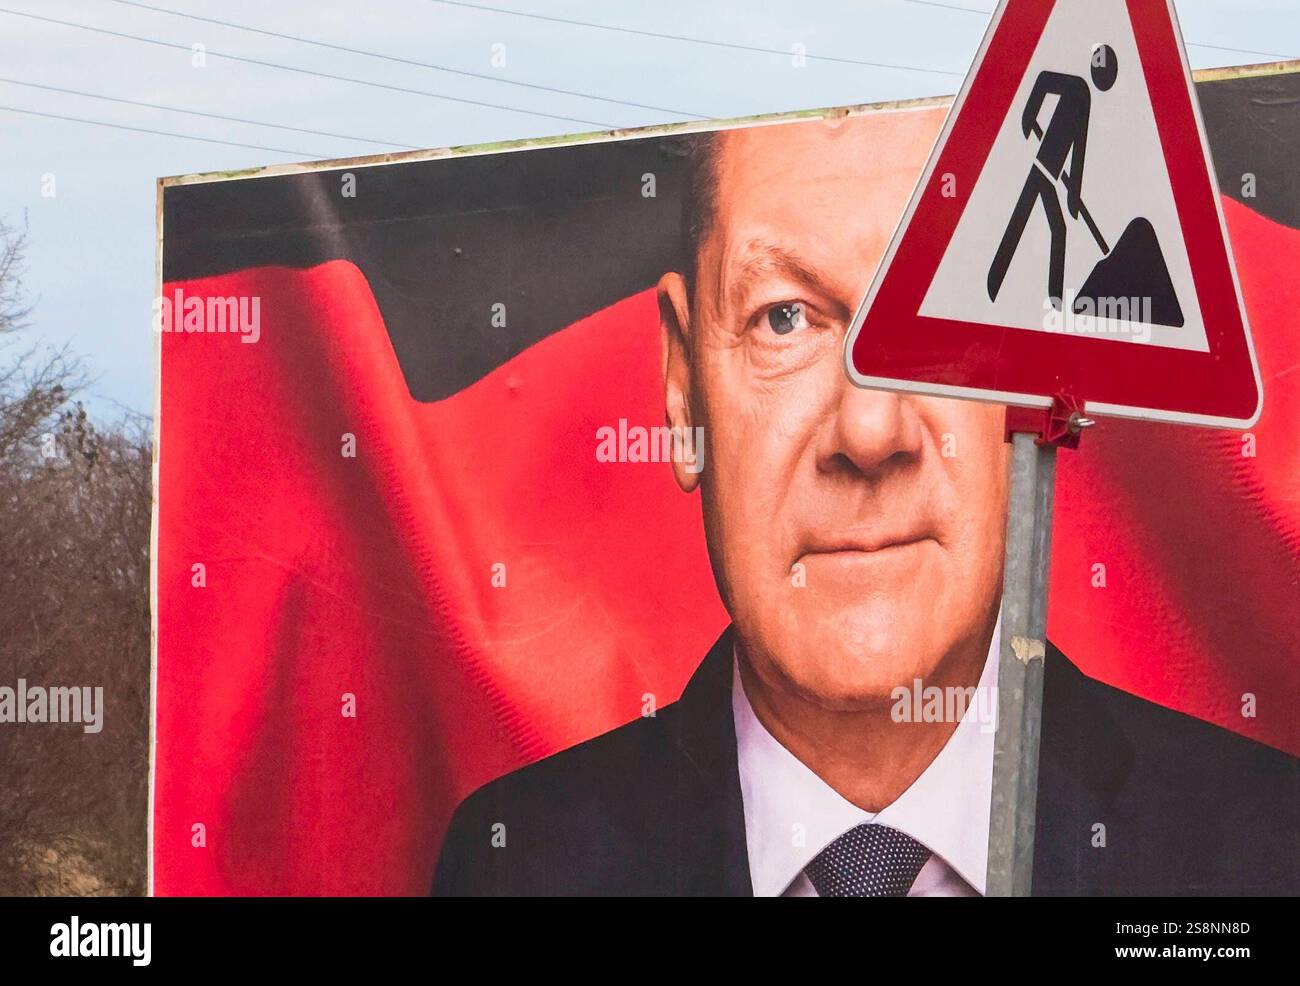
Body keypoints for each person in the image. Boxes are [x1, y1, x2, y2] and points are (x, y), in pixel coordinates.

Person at [432, 112, 1297, 897]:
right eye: (784, 319)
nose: (871, 427)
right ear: (684, 390)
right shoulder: (516, 869)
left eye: (944, 308)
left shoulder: (1262, 855)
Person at [987, 46, 1118, 308]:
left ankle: (1047, 297)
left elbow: (1079, 150)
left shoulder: (1085, 98)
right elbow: (1044, 80)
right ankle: (1002, 284)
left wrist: (1074, 194)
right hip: (1042, 167)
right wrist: (1029, 116)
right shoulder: (1077, 87)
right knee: (1035, 224)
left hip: (1050, 174)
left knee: (1043, 225)